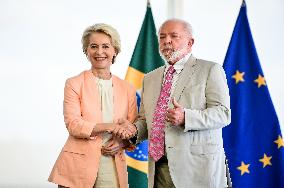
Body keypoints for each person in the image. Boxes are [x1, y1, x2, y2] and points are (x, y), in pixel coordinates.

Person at [133, 19, 231, 188]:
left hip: (197, 168)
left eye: (174, 36)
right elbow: (145, 120)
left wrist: (187, 117)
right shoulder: (150, 78)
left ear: (190, 42)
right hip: (158, 169)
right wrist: (132, 132)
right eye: (162, 37)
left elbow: (223, 113)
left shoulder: (210, 70)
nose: (166, 40)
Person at [48, 23, 137, 188]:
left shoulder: (127, 88)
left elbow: (132, 127)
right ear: (86, 51)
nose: (99, 52)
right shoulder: (74, 83)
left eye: (105, 46)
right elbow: (73, 125)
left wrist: (122, 143)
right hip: (77, 166)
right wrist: (109, 126)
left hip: (112, 162)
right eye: (93, 46)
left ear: (114, 50)